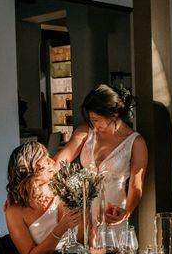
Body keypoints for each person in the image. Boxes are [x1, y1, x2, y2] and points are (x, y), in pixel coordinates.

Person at [54, 84, 148, 230]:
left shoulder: (135, 142)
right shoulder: (86, 132)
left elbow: (136, 185)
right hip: (81, 216)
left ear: (114, 114)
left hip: (112, 213)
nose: (93, 123)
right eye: (91, 119)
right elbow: (58, 162)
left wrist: (126, 212)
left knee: (113, 252)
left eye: (97, 119)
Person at [5, 142, 83, 254]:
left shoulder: (64, 190)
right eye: (45, 158)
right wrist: (60, 228)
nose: (52, 161)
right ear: (31, 166)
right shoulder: (14, 211)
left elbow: (82, 237)